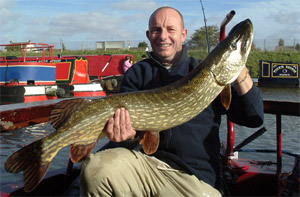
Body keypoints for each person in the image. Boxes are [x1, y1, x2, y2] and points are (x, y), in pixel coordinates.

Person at [80, 6, 264, 196]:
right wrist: (127, 137)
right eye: (156, 30)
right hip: (145, 169)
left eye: (171, 29)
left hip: (195, 178)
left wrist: (240, 72)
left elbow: (254, 117)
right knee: (97, 170)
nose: (163, 36)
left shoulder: (206, 73)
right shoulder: (137, 74)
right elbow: (131, 140)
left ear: (183, 35)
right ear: (148, 35)